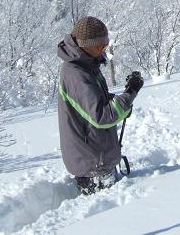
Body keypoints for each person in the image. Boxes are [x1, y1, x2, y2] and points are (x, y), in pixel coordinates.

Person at [57, 16, 144, 195]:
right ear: (86, 46)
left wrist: (125, 99)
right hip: (92, 166)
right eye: (100, 46)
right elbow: (102, 116)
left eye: (105, 44)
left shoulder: (86, 66)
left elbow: (98, 102)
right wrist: (130, 93)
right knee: (109, 209)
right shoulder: (76, 75)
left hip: (97, 159)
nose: (104, 49)